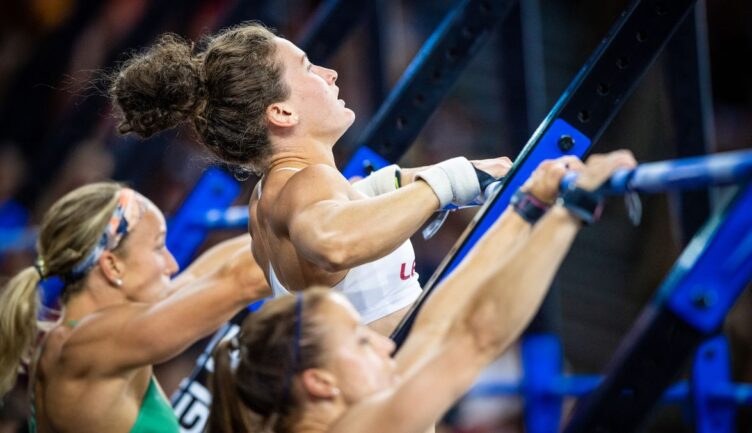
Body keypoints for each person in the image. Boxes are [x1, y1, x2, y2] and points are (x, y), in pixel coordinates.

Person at [109, 23, 513, 335]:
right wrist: (452, 178)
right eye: (307, 67)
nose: (331, 73)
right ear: (282, 113)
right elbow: (332, 242)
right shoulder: (308, 182)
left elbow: (340, 212)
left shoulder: (270, 196)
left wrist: (439, 179)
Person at [206, 150, 638, 433]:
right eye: (361, 341)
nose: (384, 348)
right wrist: (572, 210)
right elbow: (473, 338)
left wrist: (527, 208)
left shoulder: (364, 410)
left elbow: (435, 325)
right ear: (320, 383)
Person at [0, 182, 270, 432]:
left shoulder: (82, 335)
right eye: (159, 247)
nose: (172, 263)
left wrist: (270, 216)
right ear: (111, 264)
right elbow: (243, 281)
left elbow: (198, 277)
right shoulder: (90, 347)